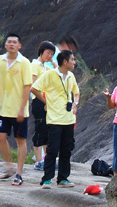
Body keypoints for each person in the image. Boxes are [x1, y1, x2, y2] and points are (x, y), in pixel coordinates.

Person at [31, 50, 80, 189]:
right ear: (64, 61)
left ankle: (63, 178)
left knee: (66, 150)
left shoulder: (71, 76)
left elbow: (76, 92)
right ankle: (47, 179)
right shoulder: (50, 74)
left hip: (69, 119)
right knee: (52, 150)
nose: (74, 62)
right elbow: (34, 89)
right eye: (72, 59)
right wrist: (46, 102)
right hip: (54, 119)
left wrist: (75, 103)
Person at [0, 33, 32, 186]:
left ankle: (19, 174)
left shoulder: (24, 62)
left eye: (15, 42)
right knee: (0, 136)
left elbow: (28, 86)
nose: (11, 44)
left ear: (19, 46)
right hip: (3, 108)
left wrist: (22, 108)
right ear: (5, 44)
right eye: (9, 42)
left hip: (19, 109)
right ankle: (9, 167)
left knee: (20, 140)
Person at [30, 41, 56, 171]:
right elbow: (33, 86)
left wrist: (53, 61)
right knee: (40, 129)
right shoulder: (34, 65)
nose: (49, 55)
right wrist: (45, 102)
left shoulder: (46, 67)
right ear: (41, 51)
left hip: (47, 100)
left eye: (52, 54)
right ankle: (38, 161)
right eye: (48, 52)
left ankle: (47, 159)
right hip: (39, 101)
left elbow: (58, 72)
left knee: (47, 130)